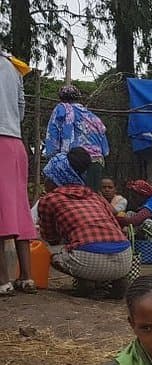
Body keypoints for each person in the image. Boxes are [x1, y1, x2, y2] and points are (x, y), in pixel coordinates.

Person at [37, 152, 137, 299]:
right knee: (92, 245)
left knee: (49, 250)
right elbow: (115, 224)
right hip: (124, 256)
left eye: (48, 177)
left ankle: (86, 281)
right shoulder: (95, 195)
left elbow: (50, 237)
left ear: (56, 178)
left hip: (88, 260)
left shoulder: (50, 199)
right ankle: (117, 279)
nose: (45, 182)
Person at [0, 49, 37, 297]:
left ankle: (3, 280)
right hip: (15, 143)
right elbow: (21, 107)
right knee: (19, 208)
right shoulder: (14, 66)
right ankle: (26, 276)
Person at [43, 84, 109, 191]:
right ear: (78, 98)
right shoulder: (92, 116)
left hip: (74, 162)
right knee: (92, 198)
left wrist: (53, 158)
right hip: (97, 161)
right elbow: (105, 149)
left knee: (71, 198)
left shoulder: (61, 109)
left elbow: (53, 135)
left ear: (60, 98)